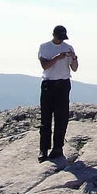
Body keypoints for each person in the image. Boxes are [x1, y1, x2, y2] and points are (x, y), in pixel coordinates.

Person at [38, 25, 78, 162]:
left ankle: (57, 148)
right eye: (59, 37)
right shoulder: (44, 47)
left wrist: (74, 58)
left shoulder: (68, 47)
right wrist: (57, 57)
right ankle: (43, 149)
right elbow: (45, 66)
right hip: (48, 84)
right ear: (54, 35)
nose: (61, 40)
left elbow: (75, 68)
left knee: (61, 118)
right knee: (46, 119)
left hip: (63, 84)